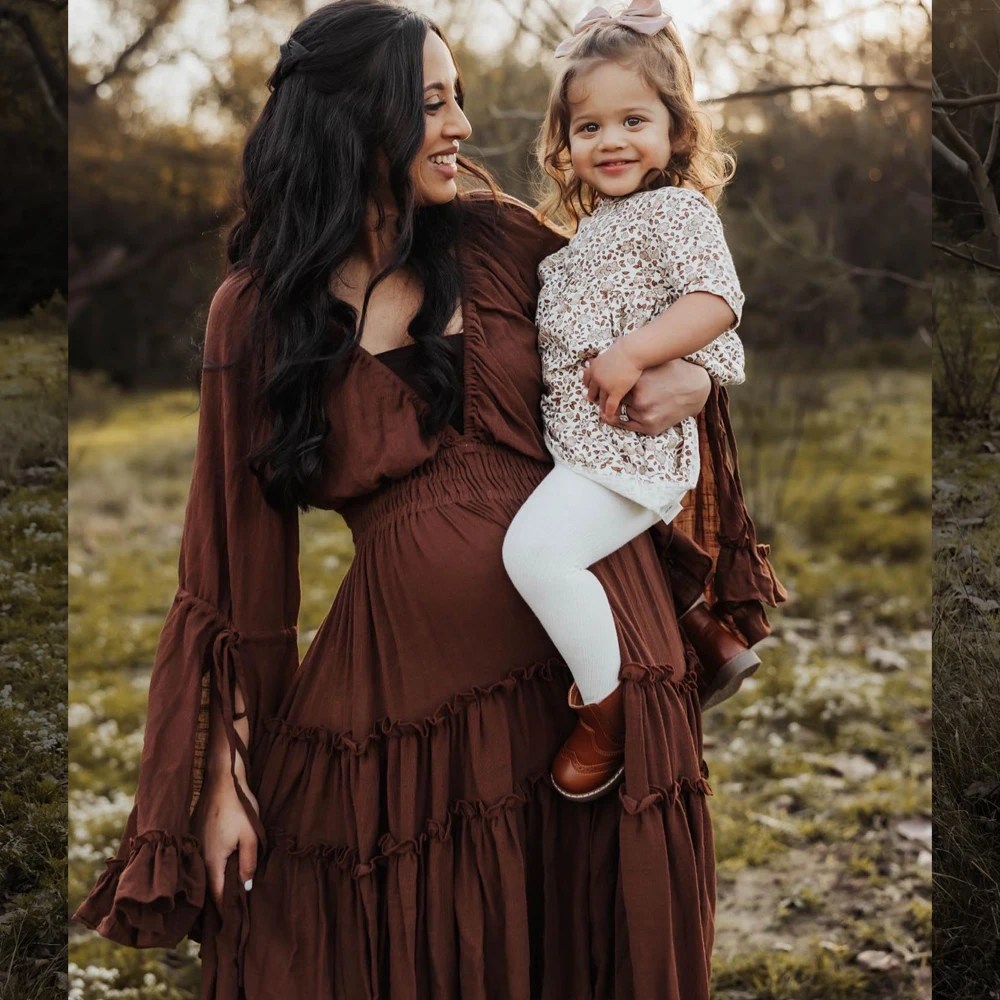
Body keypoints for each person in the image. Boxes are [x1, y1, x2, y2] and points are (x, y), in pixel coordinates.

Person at [71, 2, 784, 997]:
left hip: (595, 675)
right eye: (431, 105)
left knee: (597, 950)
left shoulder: (498, 242)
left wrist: (700, 380)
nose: (460, 128)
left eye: (459, 102)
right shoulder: (259, 311)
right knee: (327, 927)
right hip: (408, 705)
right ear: (355, 121)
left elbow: (667, 317)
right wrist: (220, 783)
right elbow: (232, 571)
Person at [502, 0, 763, 803]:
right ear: (565, 144)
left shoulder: (675, 211)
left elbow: (716, 303)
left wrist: (634, 351)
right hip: (588, 453)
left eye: (632, 120)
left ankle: (605, 714)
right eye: (589, 128)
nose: (610, 141)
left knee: (534, 556)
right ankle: (696, 623)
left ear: (676, 131)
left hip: (631, 452)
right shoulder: (587, 237)